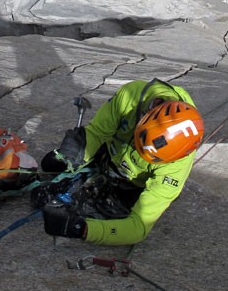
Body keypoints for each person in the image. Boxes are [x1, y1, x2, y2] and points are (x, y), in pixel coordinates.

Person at [35, 79, 204, 246]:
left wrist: (82, 229)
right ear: (146, 114)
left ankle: (110, 195)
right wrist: (77, 152)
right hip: (108, 156)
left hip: (130, 188)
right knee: (45, 182)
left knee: (51, 203)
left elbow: (138, 226)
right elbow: (98, 131)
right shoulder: (131, 96)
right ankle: (96, 173)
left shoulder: (177, 165)